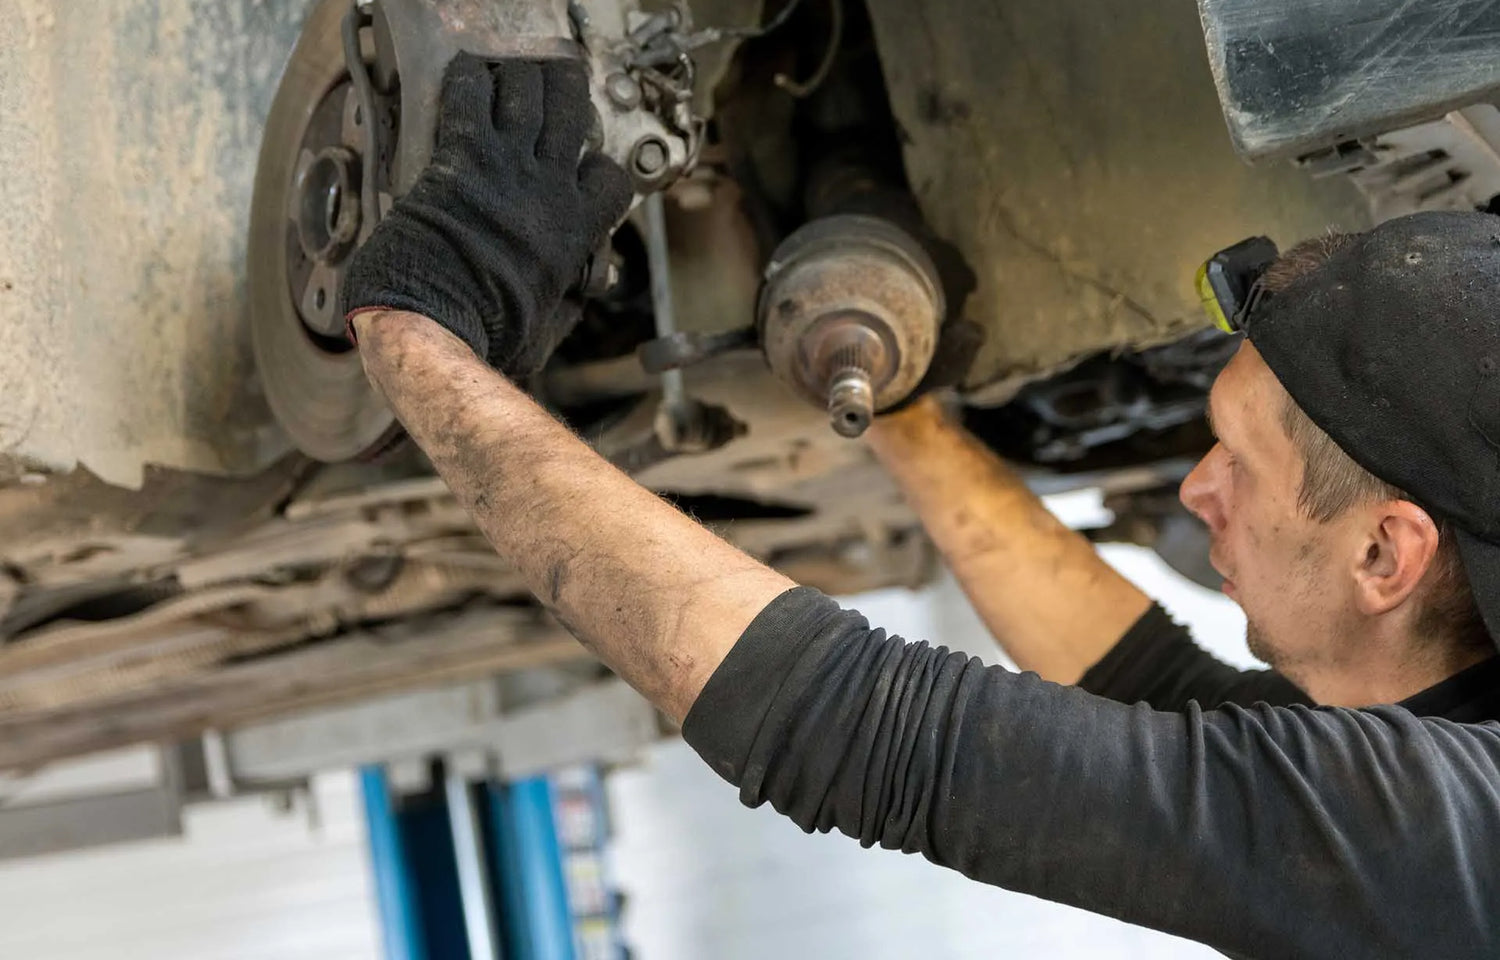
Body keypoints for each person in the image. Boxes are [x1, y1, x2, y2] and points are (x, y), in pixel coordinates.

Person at [341, 54, 1500, 957]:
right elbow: (1154, 691)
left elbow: (874, 733)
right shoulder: (1447, 738)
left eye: (1239, 462)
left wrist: (418, 334)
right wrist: (894, 407)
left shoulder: (1445, 850)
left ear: (1389, 556)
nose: (1197, 488)